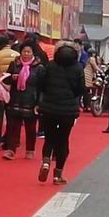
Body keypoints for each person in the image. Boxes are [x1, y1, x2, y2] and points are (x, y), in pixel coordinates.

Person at [37, 41, 84, 185]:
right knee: (63, 140)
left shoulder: (50, 66)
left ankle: (45, 161)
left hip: (49, 108)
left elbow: (42, 84)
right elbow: (81, 89)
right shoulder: (77, 68)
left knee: (49, 138)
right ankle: (58, 174)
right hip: (68, 110)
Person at [2, 43, 43, 160]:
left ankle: (30, 150)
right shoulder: (14, 64)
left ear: (33, 53)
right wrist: (12, 78)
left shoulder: (39, 68)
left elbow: (41, 87)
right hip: (15, 98)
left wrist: (39, 103)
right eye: (24, 51)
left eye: (28, 52)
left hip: (31, 100)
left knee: (30, 127)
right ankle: (10, 150)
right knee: (13, 126)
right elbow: (6, 79)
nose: (26, 54)